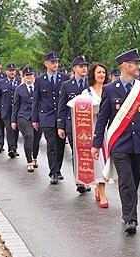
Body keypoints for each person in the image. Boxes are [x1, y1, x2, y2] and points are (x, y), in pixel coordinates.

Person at [91, 49, 140, 234]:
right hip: (119, 144)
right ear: (125, 65)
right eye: (135, 63)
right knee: (126, 181)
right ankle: (130, 218)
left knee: (136, 179)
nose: (139, 66)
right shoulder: (110, 89)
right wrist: (96, 143)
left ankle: (130, 211)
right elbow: (103, 118)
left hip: (139, 142)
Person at [80, 62, 112, 208]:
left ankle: (100, 189)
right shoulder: (87, 93)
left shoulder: (109, 90)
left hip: (109, 130)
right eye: (99, 72)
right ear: (93, 74)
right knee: (98, 161)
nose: (101, 75)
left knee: (108, 160)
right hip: (94, 129)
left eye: (104, 73)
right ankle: (103, 193)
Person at [57, 55, 91, 193]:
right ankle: (79, 180)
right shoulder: (66, 85)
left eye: (85, 66)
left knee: (87, 152)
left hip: (88, 125)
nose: (84, 69)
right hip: (72, 124)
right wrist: (60, 126)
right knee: (77, 152)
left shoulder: (90, 84)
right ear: (74, 69)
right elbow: (62, 107)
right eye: (81, 66)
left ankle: (88, 179)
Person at [36, 52, 70, 184]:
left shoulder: (64, 78)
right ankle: (53, 172)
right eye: (52, 62)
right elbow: (36, 100)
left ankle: (58, 169)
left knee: (61, 145)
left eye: (56, 62)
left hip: (61, 117)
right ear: (46, 64)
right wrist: (35, 119)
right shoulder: (40, 80)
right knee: (51, 144)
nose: (55, 64)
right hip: (47, 116)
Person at [12, 67, 42, 171]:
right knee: (29, 137)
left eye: (31, 75)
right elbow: (16, 105)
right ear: (23, 77)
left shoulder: (38, 87)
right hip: (23, 116)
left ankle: (35, 158)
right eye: (26, 75)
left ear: (34, 76)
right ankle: (29, 161)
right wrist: (13, 120)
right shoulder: (19, 89)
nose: (29, 77)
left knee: (36, 139)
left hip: (37, 116)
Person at [0, 63, 21, 157]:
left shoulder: (20, 81)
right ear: (6, 72)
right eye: (10, 70)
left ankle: (14, 148)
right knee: (9, 129)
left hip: (17, 110)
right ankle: (8, 148)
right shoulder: (1, 82)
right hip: (5, 110)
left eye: (13, 70)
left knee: (15, 129)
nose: (12, 72)